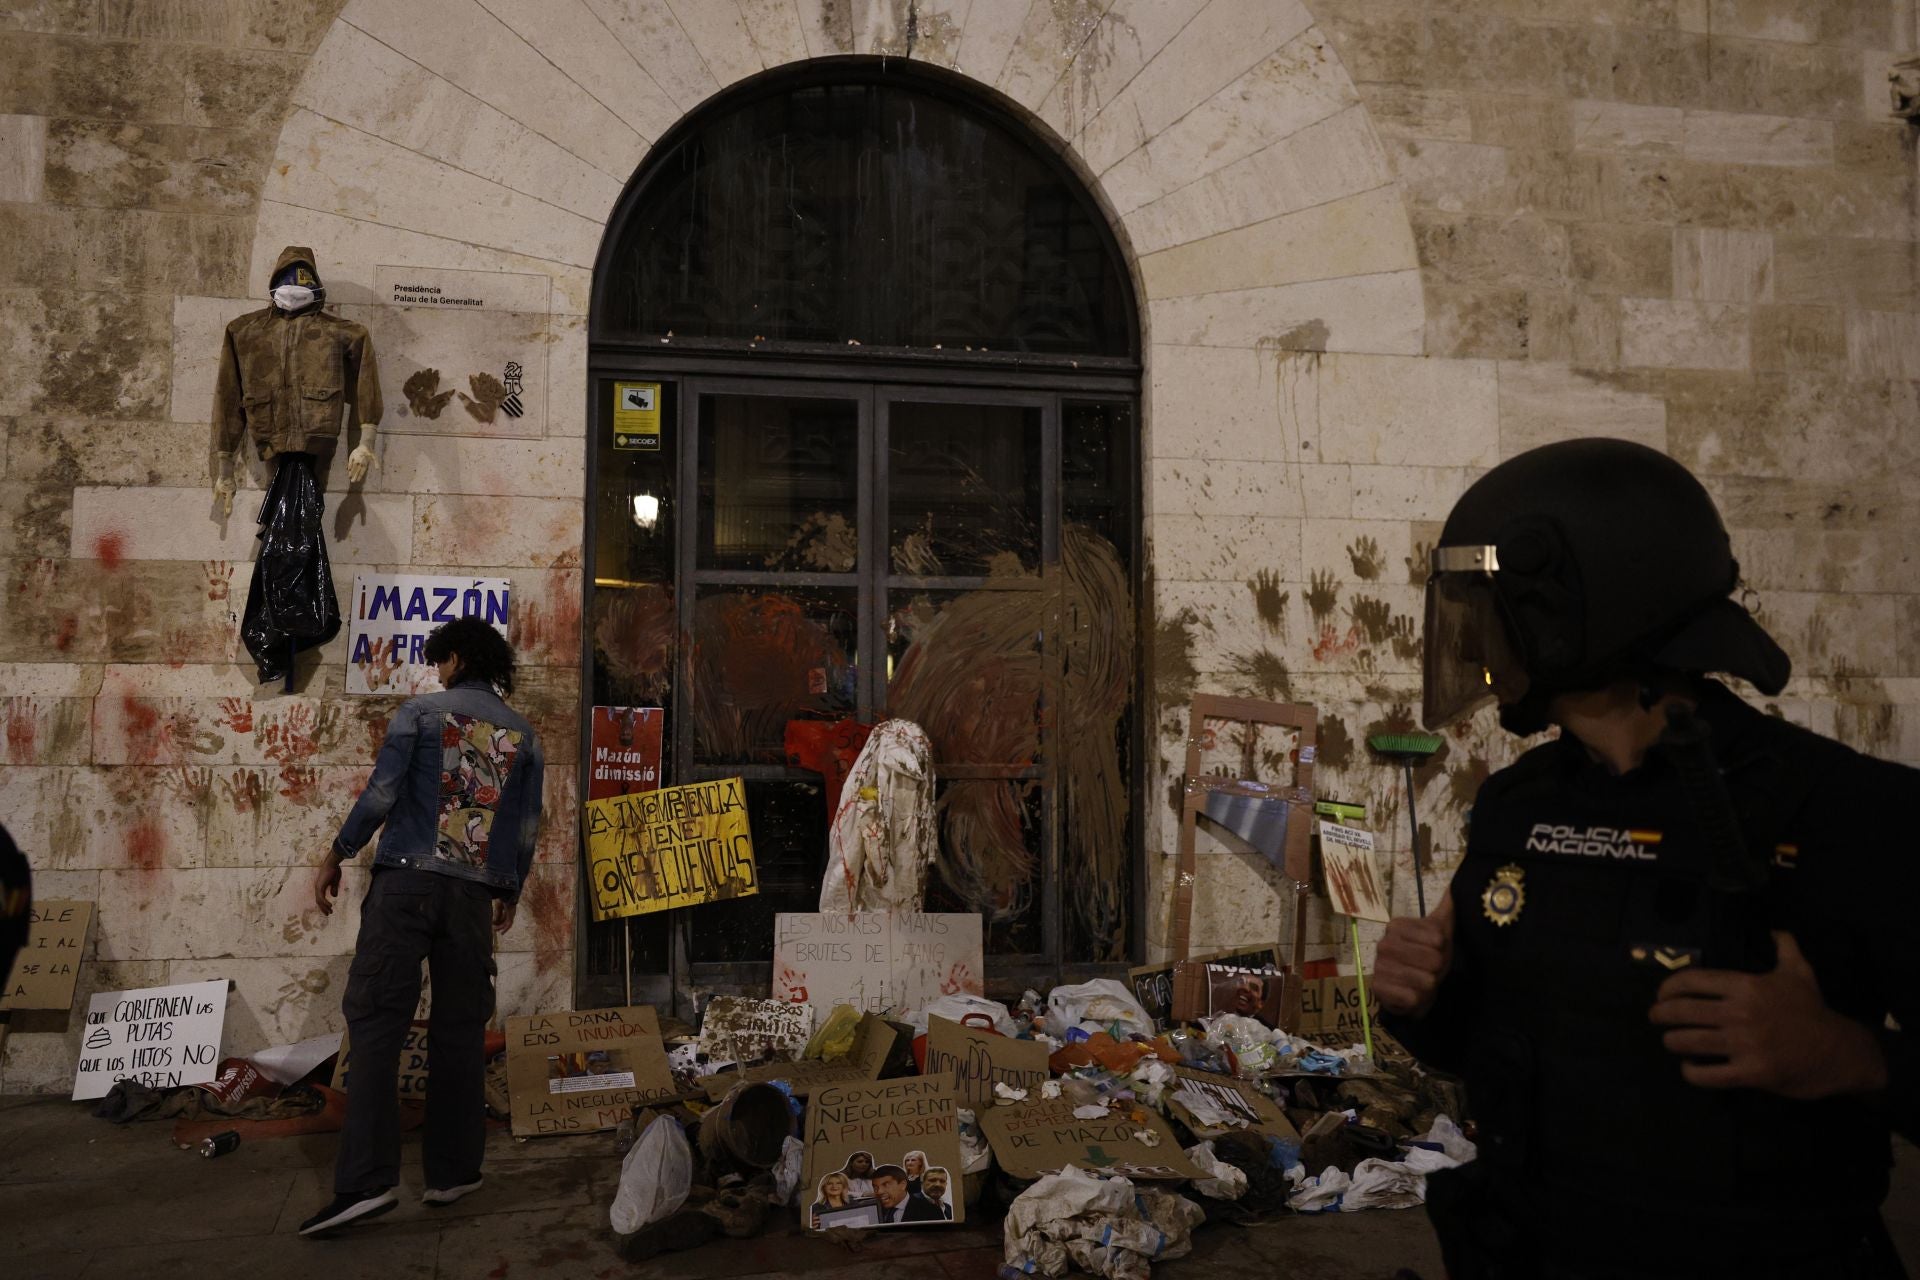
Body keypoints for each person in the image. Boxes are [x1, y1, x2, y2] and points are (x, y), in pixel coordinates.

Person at [1374, 439, 1917, 1279]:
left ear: (1577, 602)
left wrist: (1852, 1056)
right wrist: (1424, 997)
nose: (1479, 636)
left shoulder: (1851, 811)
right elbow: (1493, 1052)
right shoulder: (1519, 806)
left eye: (1494, 604)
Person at [299, 618, 545, 1237]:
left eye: (440, 662)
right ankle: (454, 1172)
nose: (437, 673)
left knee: (377, 1023)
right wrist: (509, 888)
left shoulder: (421, 714)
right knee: (460, 1030)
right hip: (470, 898)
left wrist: (337, 851)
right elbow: (523, 826)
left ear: (456, 658)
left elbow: (383, 792)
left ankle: (365, 1183)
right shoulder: (525, 734)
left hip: (405, 887)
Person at [870, 1165, 942, 1224]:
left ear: (903, 1185)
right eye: (875, 1187)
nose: (879, 1191)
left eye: (886, 1184)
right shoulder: (874, 1211)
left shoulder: (930, 1212)